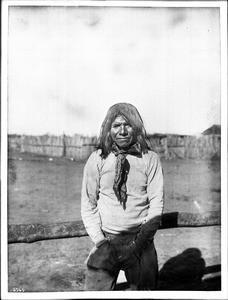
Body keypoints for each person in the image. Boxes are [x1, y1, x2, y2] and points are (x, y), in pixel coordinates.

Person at [81, 102, 164, 291]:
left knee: (146, 293)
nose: (123, 131)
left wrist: (139, 245)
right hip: (105, 242)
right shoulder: (98, 159)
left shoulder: (149, 158)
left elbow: (156, 204)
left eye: (128, 125)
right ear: (108, 129)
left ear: (136, 127)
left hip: (141, 242)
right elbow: (88, 204)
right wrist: (101, 243)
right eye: (116, 125)